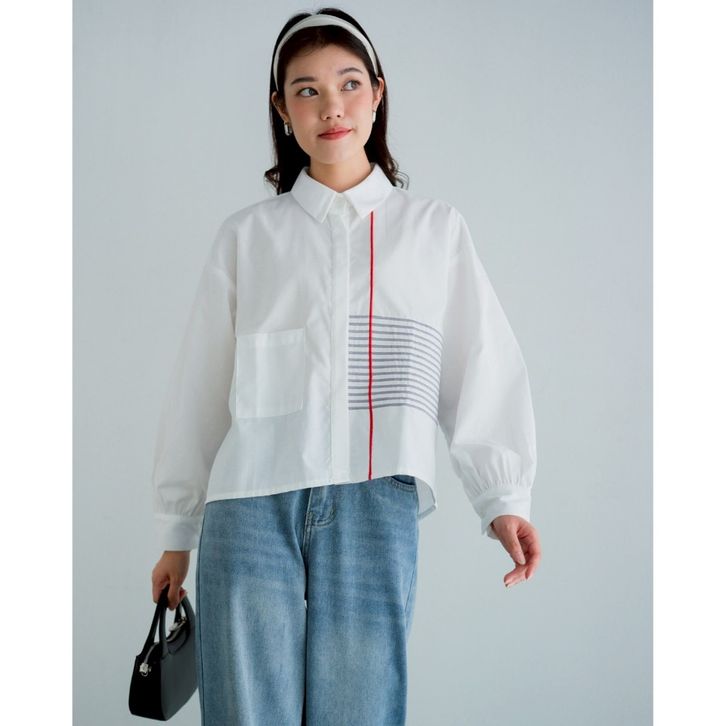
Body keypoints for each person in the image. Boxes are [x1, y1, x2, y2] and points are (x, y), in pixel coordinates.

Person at [150, 7, 541, 725]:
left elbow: (478, 361)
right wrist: (179, 532)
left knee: (360, 710)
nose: (331, 106)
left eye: (349, 84)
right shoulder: (248, 237)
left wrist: (502, 498)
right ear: (282, 109)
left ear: (378, 93)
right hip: (249, 508)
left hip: (375, 503)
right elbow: (200, 386)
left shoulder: (433, 231)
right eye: (307, 90)